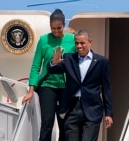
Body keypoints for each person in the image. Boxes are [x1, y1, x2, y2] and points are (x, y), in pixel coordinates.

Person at [47, 29, 113, 141]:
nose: (79, 46)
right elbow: (52, 70)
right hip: (72, 108)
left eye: (82, 43)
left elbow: (107, 88)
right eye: (76, 43)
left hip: (92, 109)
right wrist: (53, 63)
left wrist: (109, 113)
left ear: (90, 42)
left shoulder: (101, 62)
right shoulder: (69, 58)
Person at [21, 9, 76, 141]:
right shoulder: (43, 40)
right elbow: (35, 67)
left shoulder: (72, 39)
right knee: (47, 122)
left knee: (64, 124)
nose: (56, 31)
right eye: (53, 28)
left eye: (59, 28)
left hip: (66, 86)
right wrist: (30, 90)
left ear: (64, 25)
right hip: (47, 85)